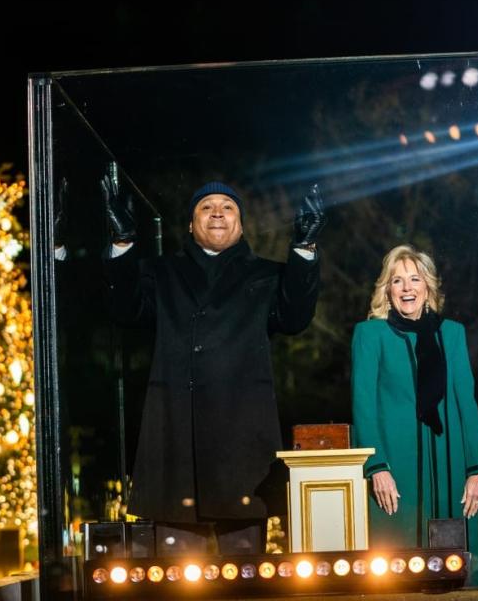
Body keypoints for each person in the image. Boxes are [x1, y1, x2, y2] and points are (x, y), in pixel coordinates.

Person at [101, 178, 324, 554]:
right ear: (190, 224)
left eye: (228, 206)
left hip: (242, 455)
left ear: (240, 223)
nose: (218, 212)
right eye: (206, 206)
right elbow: (125, 309)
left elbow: (295, 317)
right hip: (175, 450)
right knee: (176, 584)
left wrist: (303, 248)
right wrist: (123, 242)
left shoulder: (267, 275)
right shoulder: (162, 272)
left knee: (245, 582)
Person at [352, 245, 478, 585]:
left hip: (452, 465)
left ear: (428, 286)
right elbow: (363, 404)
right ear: (387, 290)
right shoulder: (371, 335)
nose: (407, 288)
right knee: (395, 571)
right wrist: (376, 466)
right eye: (398, 281)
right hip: (395, 470)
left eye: (415, 279)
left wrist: (477, 469)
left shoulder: (452, 333)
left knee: (457, 570)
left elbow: (466, 402)